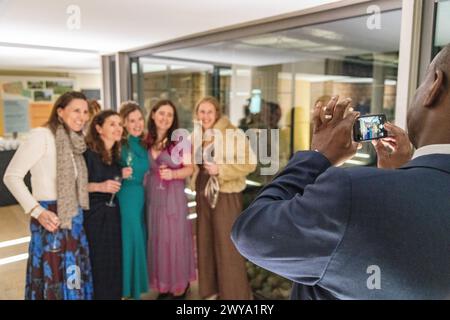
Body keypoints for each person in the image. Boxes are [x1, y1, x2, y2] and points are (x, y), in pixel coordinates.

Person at [231, 45, 450, 299]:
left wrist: (317, 156)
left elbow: (251, 232)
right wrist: (400, 175)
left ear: (434, 85)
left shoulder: (352, 194)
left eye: (422, 81)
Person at [3, 91, 94, 299]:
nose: (82, 116)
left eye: (85, 111)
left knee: (74, 275)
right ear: (60, 112)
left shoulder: (76, 140)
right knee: (52, 276)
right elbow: (11, 176)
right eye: (76, 110)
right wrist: (37, 211)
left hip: (74, 217)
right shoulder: (41, 135)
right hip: (49, 217)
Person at [191, 96, 256, 300]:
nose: (205, 116)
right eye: (202, 111)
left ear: (217, 113)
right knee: (205, 241)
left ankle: (234, 296)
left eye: (209, 111)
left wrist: (221, 169)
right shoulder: (197, 134)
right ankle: (211, 291)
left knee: (227, 245)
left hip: (226, 194)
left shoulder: (232, 133)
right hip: (203, 191)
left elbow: (250, 164)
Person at [146, 99, 196, 299]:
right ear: (153, 115)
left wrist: (173, 175)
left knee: (174, 240)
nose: (165, 118)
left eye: (170, 115)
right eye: (161, 113)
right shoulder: (146, 139)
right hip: (153, 197)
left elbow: (190, 168)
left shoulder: (181, 141)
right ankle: (163, 285)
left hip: (173, 197)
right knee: (157, 241)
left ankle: (180, 286)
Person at [84, 110, 131, 300]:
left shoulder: (115, 155)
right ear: (98, 128)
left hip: (112, 214)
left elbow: (112, 179)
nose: (118, 128)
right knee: (98, 263)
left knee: (113, 262)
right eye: (112, 124)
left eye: (120, 124)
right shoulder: (88, 154)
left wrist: (121, 174)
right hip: (94, 217)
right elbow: (74, 186)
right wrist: (100, 186)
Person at [117, 101, 149, 300]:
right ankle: (126, 291)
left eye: (139, 119)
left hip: (140, 197)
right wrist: (118, 173)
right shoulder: (120, 145)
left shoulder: (144, 142)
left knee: (139, 240)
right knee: (130, 241)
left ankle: (133, 288)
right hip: (126, 197)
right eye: (131, 121)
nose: (137, 124)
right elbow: (106, 168)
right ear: (124, 123)